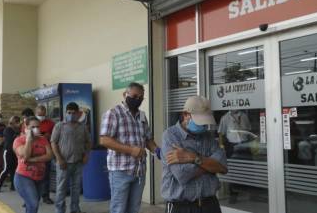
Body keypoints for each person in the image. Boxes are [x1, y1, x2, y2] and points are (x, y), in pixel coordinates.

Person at [100, 82, 161, 213]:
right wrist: (130, 150)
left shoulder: (143, 116)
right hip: (120, 171)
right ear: (125, 94)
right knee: (119, 209)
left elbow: (148, 139)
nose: (137, 100)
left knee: (134, 209)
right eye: (134, 96)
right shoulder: (113, 113)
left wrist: (158, 151)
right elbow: (104, 140)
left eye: (140, 98)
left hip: (139, 172)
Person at [161, 96, 228, 213]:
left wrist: (193, 158)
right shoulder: (170, 136)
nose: (203, 126)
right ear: (186, 114)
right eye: (200, 121)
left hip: (210, 204)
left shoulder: (208, 137)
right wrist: (210, 165)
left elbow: (222, 167)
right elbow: (182, 174)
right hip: (181, 206)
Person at [51, 102, 91, 213]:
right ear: (65, 113)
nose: (71, 115)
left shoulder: (82, 127)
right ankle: (59, 210)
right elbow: (53, 143)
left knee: (76, 188)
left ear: (78, 113)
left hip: (78, 162)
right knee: (61, 189)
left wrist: (86, 155)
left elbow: (88, 142)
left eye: (74, 113)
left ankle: (75, 209)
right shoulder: (59, 126)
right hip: (63, 163)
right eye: (69, 113)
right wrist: (59, 159)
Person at [13, 116, 53, 213]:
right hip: (23, 177)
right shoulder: (19, 140)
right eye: (33, 127)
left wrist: (33, 159)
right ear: (26, 127)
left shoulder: (43, 139)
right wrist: (29, 140)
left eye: (38, 126)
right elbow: (26, 157)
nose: (36, 129)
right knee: (33, 203)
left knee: (32, 205)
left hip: (39, 177)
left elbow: (49, 156)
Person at [35, 105, 55, 204]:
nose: (41, 117)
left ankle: (45, 196)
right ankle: (31, 197)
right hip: (33, 153)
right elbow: (22, 136)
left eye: (43, 115)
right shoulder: (29, 123)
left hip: (46, 153)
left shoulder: (50, 123)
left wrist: (48, 135)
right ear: (36, 113)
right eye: (39, 115)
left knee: (45, 175)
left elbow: (55, 137)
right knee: (32, 176)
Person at [0, 116, 21, 192]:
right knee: (6, 169)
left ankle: (13, 186)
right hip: (8, 152)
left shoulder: (16, 130)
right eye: (16, 122)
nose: (18, 124)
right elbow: (11, 140)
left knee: (14, 169)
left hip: (14, 152)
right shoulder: (8, 130)